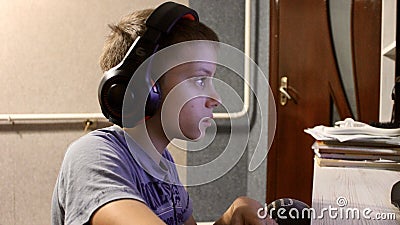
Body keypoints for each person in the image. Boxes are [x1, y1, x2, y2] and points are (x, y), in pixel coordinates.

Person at [51, 2, 276, 225]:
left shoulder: (163, 163)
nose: (216, 99)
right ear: (145, 89)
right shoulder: (95, 157)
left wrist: (230, 218)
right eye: (199, 80)